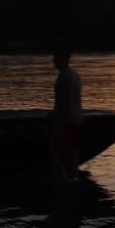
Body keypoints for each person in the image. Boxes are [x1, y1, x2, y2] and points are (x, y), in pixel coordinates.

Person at [49, 45, 84, 182]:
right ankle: (73, 179)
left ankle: (64, 180)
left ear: (65, 58)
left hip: (68, 122)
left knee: (53, 152)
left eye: (56, 57)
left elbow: (66, 103)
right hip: (76, 120)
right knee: (71, 153)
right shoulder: (72, 74)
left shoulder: (66, 76)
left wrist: (59, 128)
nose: (54, 60)